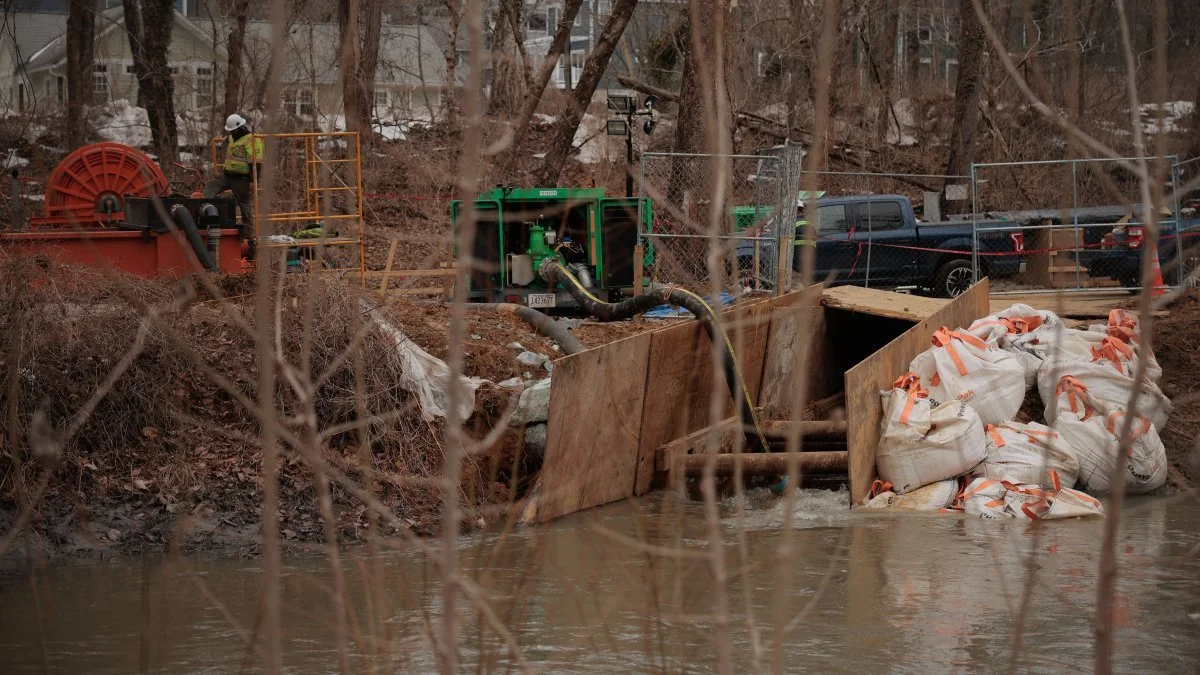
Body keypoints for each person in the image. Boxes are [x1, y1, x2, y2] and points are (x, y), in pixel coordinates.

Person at [204, 113, 263, 231]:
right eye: (230, 131)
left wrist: (253, 179)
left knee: (244, 203)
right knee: (209, 188)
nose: (231, 133)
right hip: (227, 175)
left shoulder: (252, 140)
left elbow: (257, 162)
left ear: (240, 128)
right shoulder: (232, 137)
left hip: (241, 178)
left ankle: (249, 230)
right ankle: (208, 218)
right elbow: (231, 142)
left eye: (233, 131)